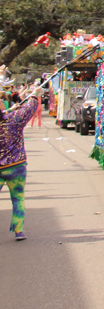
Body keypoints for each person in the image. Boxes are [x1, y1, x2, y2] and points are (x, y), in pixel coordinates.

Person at [0, 85, 41, 240]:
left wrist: (11, 109)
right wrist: (34, 95)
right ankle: (19, 230)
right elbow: (30, 108)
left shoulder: (10, 115)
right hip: (15, 167)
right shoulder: (13, 119)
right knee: (18, 199)